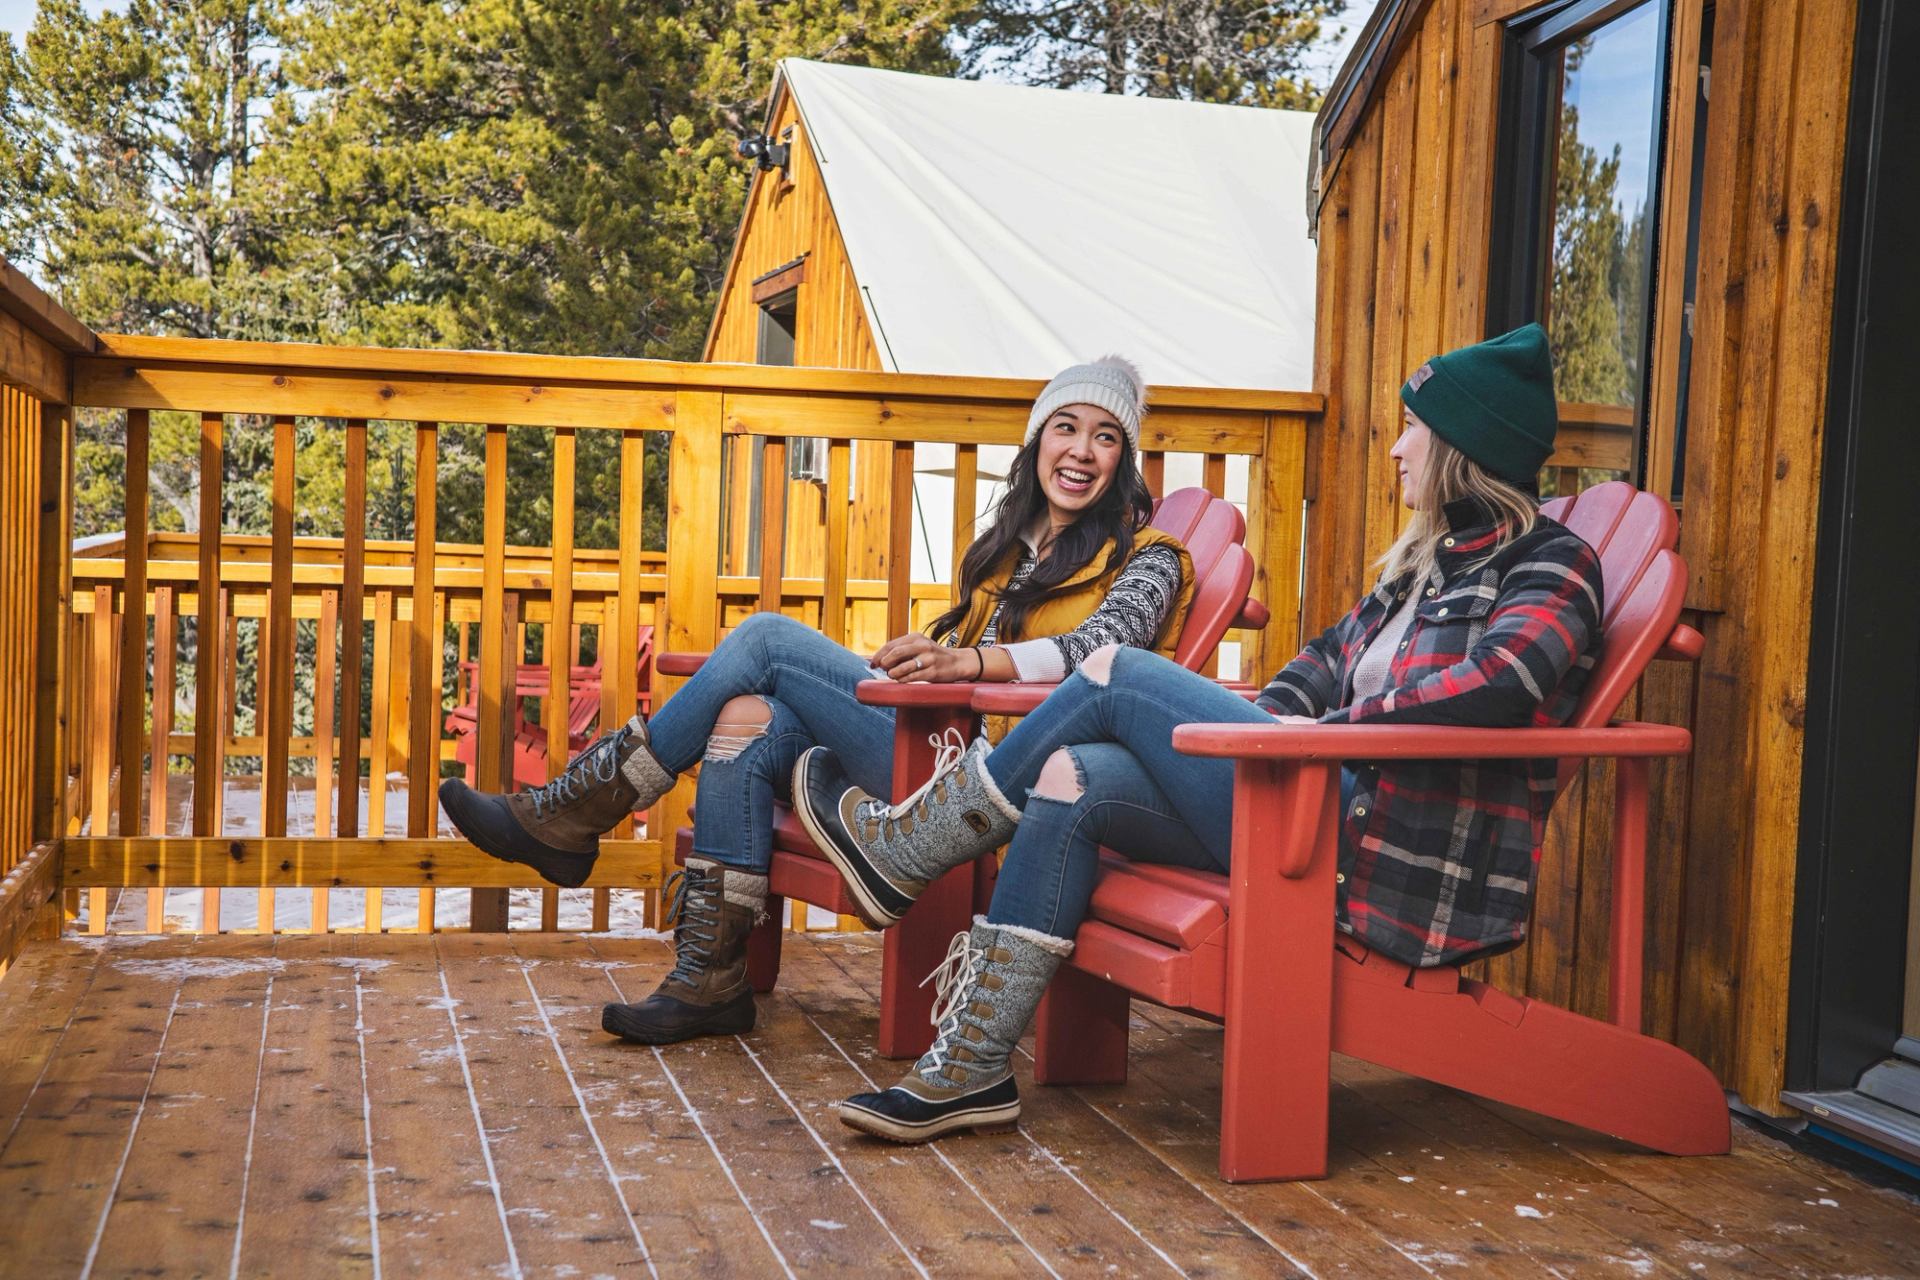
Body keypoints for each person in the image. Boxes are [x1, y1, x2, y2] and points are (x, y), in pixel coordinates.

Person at [792, 323, 1605, 1143]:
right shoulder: (1422, 567)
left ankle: (916, 844)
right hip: (1314, 794)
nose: (1396, 449)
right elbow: (1320, 661)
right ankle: (970, 1066)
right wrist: (1290, 717)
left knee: (1114, 669)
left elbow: (1500, 684)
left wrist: (1323, 735)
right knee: (1076, 772)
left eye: (1414, 431)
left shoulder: (1554, 563)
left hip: (1376, 851)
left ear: (1465, 446)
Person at [439, 356, 1196, 1045]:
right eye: (1065, 428)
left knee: (766, 641)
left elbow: (1101, 655)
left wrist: (966, 659)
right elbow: (968, 665)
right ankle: (709, 978)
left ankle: (580, 809)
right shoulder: (1012, 553)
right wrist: (924, 658)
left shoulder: (1150, 558)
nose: (1081, 451)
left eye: (1105, 437)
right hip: (941, 751)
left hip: (1001, 789)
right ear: (1036, 444)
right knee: (746, 719)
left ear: (1123, 462)